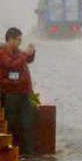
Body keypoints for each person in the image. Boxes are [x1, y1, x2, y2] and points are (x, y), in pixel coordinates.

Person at [0, 27, 36, 155]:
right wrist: (25, 54)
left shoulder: (18, 52)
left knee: (27, 123)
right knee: (12, 125)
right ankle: (13, 153)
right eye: (18, 40)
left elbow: (25, 60)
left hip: (24, 92)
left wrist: (31, 53)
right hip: (11, 93)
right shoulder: (3, 52)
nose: (20, 43)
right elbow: (12, 65)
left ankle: (28, 153)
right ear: (10, 39)